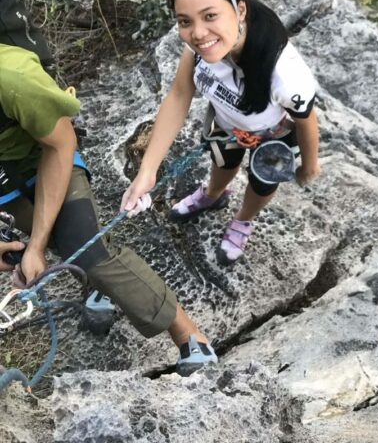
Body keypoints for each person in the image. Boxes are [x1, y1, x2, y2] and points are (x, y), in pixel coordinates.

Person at [0, 42, 216, 375]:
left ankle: (187, 334)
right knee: (59, 246)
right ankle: (100, 290)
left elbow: (60, 145)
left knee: (88, 250)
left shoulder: (13, 78)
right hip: (4, 188)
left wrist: (38, 244)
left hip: (49, 157)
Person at [121, 0, 321, 264]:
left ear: (240, 10)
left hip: (274, 136)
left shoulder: (285, 75)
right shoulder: (201, 47)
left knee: (262, 181)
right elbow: (178, 96)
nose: (198, 33)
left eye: (210, 15)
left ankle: (243, 219)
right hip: (227, 125)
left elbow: (307, 119)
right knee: (223, 162)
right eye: (185, 21)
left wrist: (309, 167)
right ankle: (213, 195)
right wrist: (148, 171)